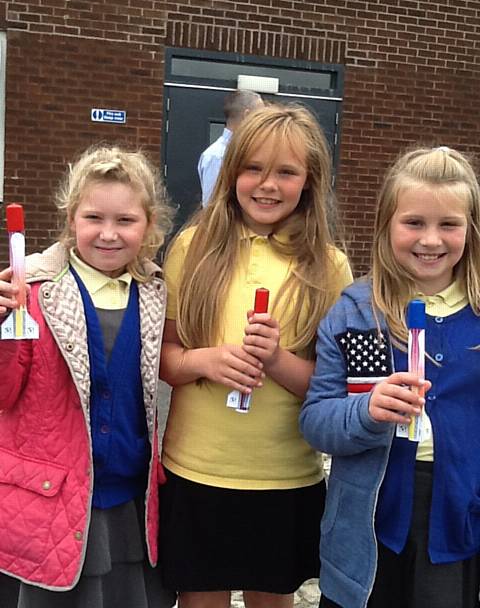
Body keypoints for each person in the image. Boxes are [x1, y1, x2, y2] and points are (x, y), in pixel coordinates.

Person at [159, 104, 353, 608]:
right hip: (197, 468)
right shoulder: (191, 248)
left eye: (286, 172)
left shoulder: (329, 267)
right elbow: (163, 357)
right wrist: (204, 362)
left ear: (309, 182)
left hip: (285, 474)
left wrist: (278, 362)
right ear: (231, 173)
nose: (267, 185)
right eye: (253, 169)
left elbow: (336, 391)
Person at [300, 146, 480, 608]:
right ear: (386, 225)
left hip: (461, 513)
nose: (431, 240)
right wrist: (367, 410)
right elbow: (317, 421)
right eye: (414, 223)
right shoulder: (356, 311)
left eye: (449, 225)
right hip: (370, 516)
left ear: (470, 230)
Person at [0, 145, 175, 608]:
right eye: (94, 218)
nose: (109, 234)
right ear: (71, 217)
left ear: (149, 225)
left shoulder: (155, 293)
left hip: (128, 502)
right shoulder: (31, 292)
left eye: (126, 221)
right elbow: (4, 392)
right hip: (49, 503)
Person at [197, 89, 263, 206]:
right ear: (247, 115)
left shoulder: (248, 151)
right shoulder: (217, 156)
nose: (263, 123)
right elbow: (212, 206)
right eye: (260, 116)